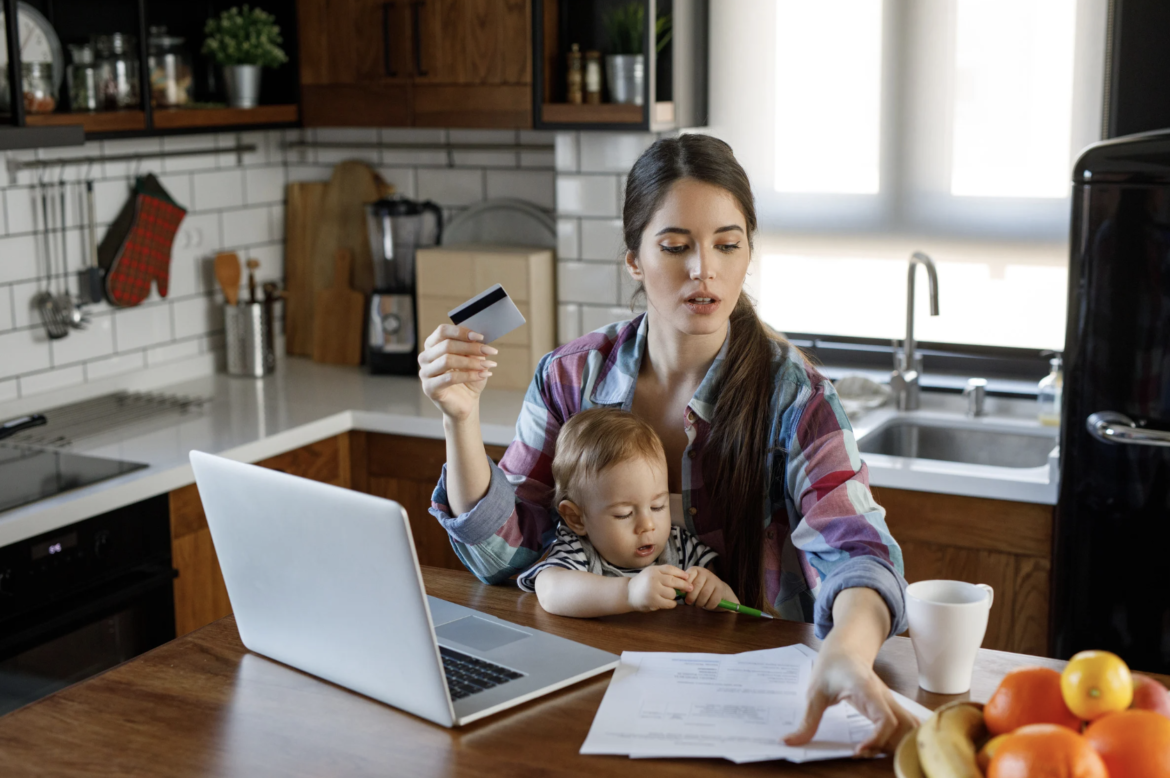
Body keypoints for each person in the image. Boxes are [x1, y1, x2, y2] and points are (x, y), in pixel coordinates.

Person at [418, 134, 915, 755]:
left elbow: (860, 555)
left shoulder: (797, 396)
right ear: (634, 260)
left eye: (727, 245)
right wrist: (458, 420)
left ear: (747, 254)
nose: (703, 269)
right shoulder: (573, 377)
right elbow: (508, 557)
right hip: (595, 685)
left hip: (751, 703)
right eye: (676, 246)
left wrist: (846, 651)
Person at [516, 407, 737, 617]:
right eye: (624, 514)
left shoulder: (680, 546)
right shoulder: (580, 549)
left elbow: (731, 608)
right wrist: (629, 593)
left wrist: (716, 592)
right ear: (577, 518)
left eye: (658, 506)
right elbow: (549, 591)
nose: (647, 525)